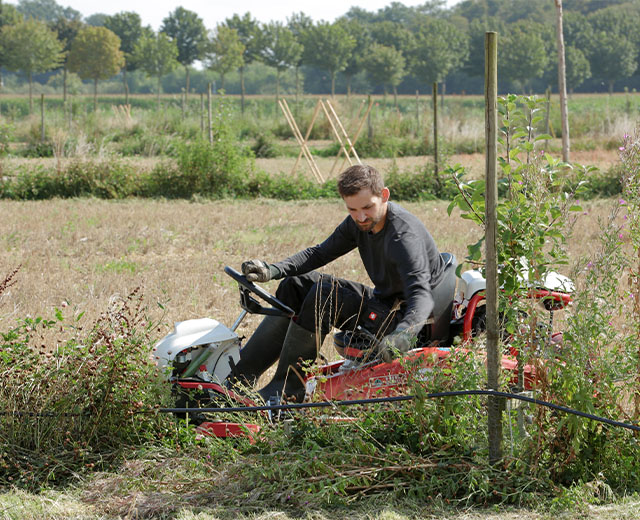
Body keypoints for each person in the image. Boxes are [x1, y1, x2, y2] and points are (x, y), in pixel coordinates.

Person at [231, 164, 456, 402]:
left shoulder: (403, 238)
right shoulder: (359, 224)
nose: (360, 217)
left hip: (409, 324)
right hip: (385, 306)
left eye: (368, 207)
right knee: (295, 284)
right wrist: (274, 269)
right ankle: (239, 380)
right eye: (352, 209)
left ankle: (288, 389)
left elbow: (421, 295)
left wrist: (404, 333)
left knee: (324, 296)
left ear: (385, 195)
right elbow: (319, 253)